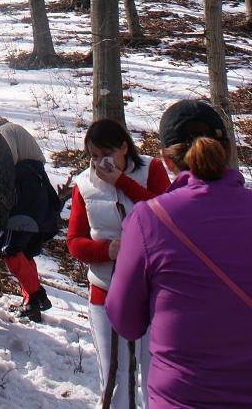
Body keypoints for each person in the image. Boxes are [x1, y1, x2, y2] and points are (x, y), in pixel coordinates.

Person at [106, 100, 252, 409]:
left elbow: (125, 321)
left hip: (184, 398)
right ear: (227, 148)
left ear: (166, 160)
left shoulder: (149, 220)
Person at [67, 119, 170, 409]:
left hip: (153, 291)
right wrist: (105, 251)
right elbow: (74, 241)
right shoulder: (84, 185)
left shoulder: (151, 170)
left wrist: (120, 182)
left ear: (124, 146)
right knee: (115, 376)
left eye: (107, 153)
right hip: (106, 291)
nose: (101, 162)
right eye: (94, 155)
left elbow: (165, 214)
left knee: (156, 375)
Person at [0, 117, 60, 322]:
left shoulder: (5, 131)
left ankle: (37, 295)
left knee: (12, 252)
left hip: (24, 202)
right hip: (38, 201)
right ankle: (31, 302)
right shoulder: (21, 133)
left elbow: (4, 165)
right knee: (24, 252)